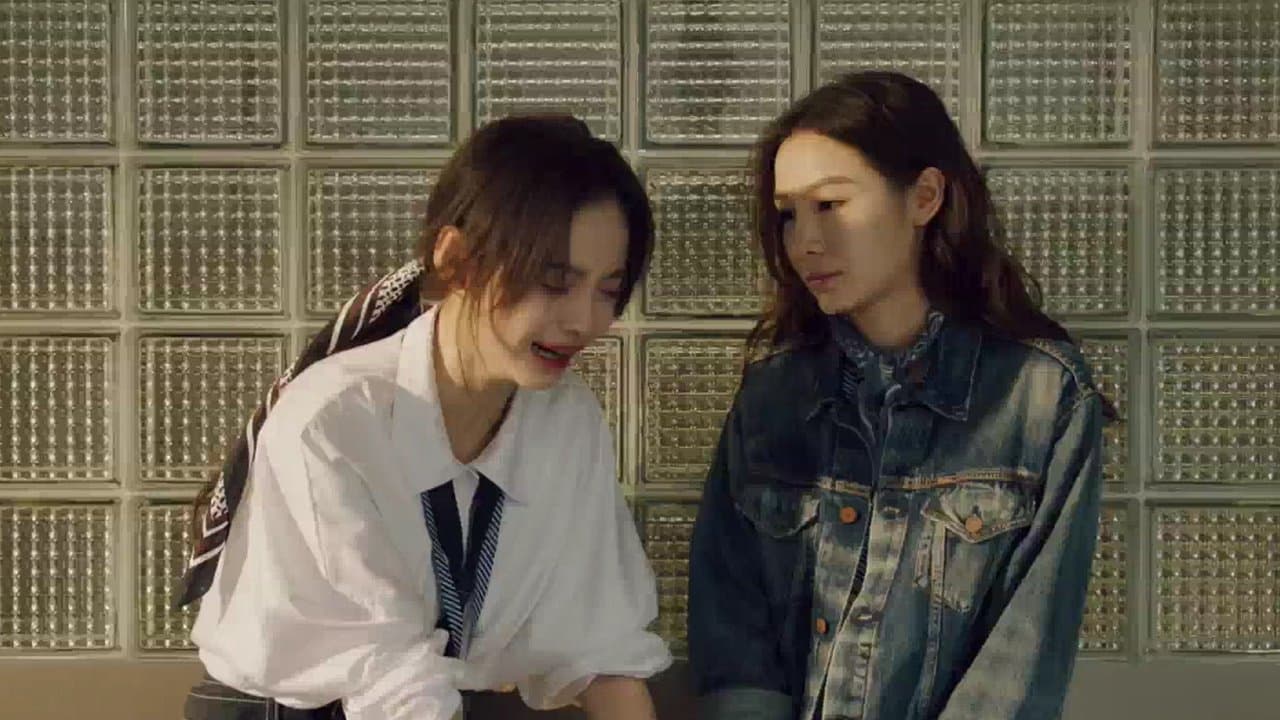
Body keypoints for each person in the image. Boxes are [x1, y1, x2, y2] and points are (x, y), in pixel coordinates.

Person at [179, 115, 671, 720]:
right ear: (457, 261)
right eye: (554, 281)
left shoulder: (568, 421)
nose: (585, 321)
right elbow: (388, 677)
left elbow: (602, 647)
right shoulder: (333, 421)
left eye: (607, 290)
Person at [687, 71, 1112, 720]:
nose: (804, 241)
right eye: (788, 214)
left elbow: (1020, 662)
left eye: (831, 204)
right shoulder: (774, 394)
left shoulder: (1040, 396)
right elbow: (733, 634)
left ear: (925, 197)